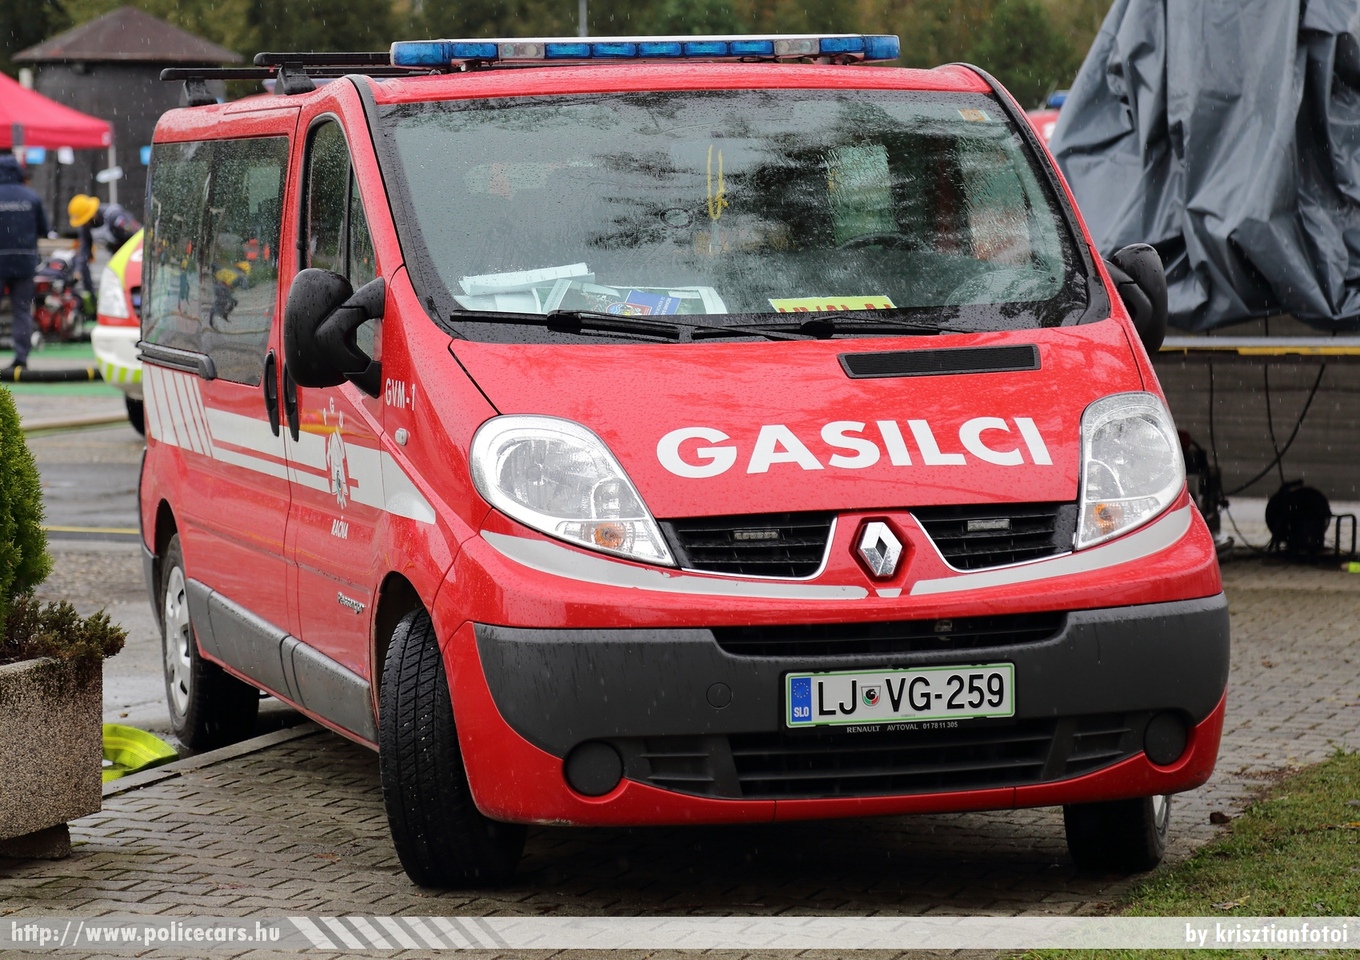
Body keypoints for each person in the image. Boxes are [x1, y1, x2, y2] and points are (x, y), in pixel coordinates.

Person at [0, 150, 49, 377]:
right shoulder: (31, 197)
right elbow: (44, 230)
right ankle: (21, 359)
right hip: (24, 262)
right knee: (21, 311)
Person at [68, 193, 140, 302]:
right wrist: (78, 271)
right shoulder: (86, 226)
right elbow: (84, 250)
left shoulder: (114, 217)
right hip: (116, 255)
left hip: (132, 252)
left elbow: (135, 236)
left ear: (91, 214)